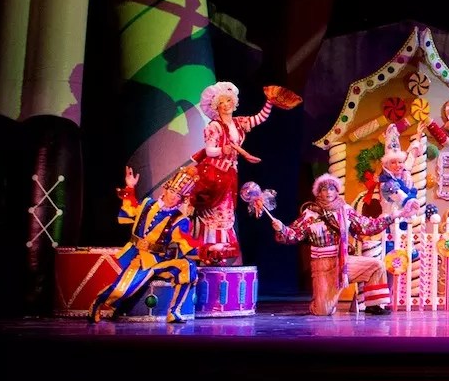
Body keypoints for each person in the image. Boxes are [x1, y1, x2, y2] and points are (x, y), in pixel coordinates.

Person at [191, 81, 299, 265]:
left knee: (227, 212)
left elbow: (260, 118)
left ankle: (220, 253)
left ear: (234, 102)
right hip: (214, 173)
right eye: (221, 102)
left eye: (228, 100)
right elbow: (209, 150)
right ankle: (210, 250)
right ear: (216, 107)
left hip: (229, 173)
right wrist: (222, 150)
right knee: (215, 213)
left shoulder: (238, 122)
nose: (226, 105)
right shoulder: (214, 126)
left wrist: (269, 102)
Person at [274, 173, 413, 316]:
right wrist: (281, 229)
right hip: (323, 266)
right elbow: (293, 235)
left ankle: (374, 305)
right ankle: (325, 300)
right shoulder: (310, 215)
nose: (328, 192)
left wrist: (395, 215)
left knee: (376, 266)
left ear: (336, 191)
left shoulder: (345, 210)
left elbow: (367, 226)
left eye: (332, 188)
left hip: (344, 263)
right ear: (318, 193)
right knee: (322, 311)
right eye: (324, 189)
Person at [89, 166, 202, 323]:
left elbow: (187, 244)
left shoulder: (180, 219)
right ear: (165, 189)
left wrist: (209, 250)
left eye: (178, 195)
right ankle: (98, 302)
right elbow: (129, 212)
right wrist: (130, 187)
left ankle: (174, 312)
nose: (173, 197)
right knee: (122, 291)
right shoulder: (147, 204)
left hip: (160, 261)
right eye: (172, 191)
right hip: (139, 258)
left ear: (181, 199)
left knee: (187, 266)